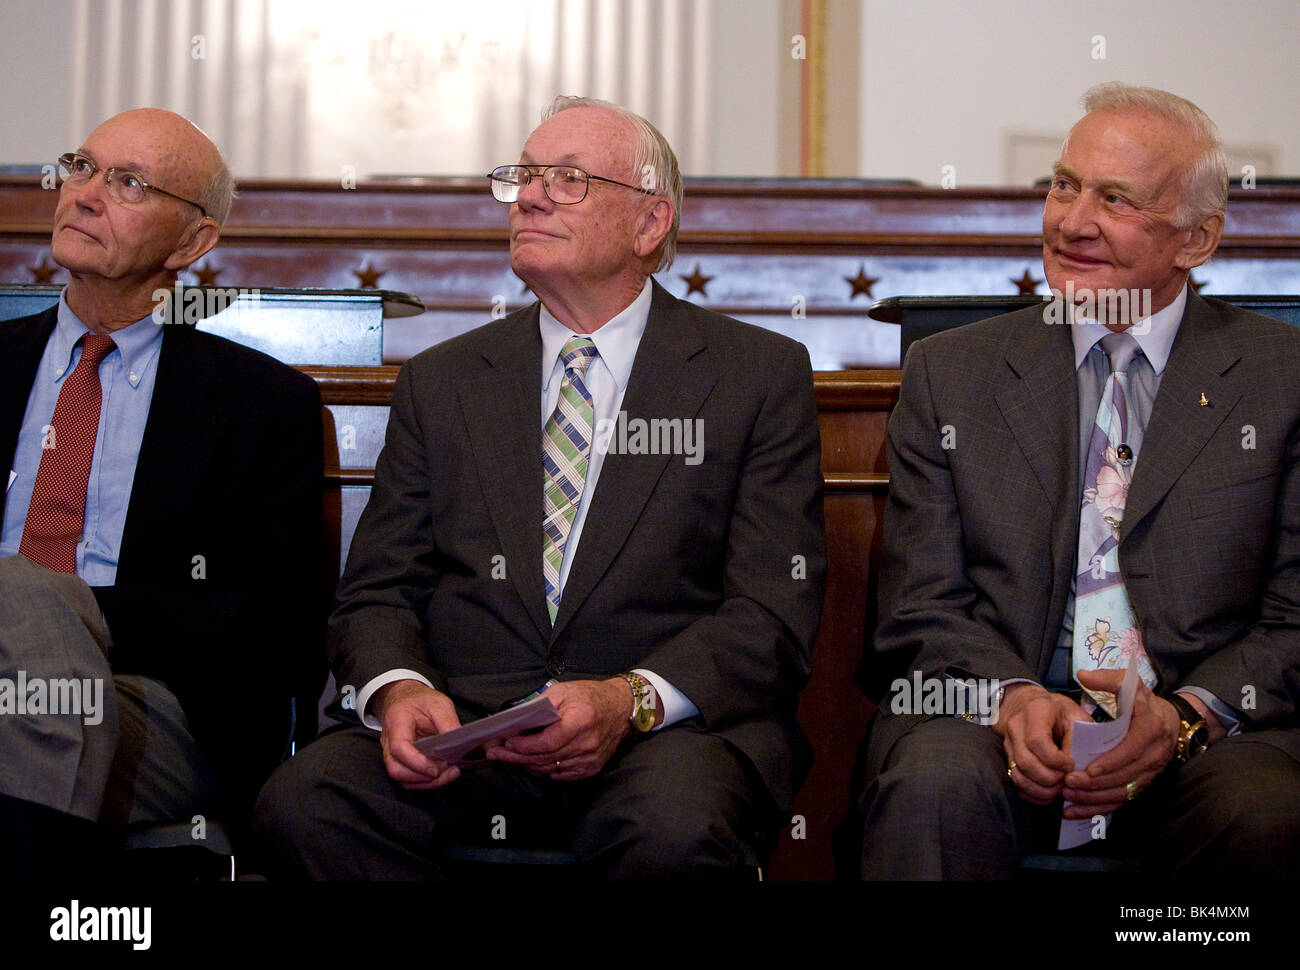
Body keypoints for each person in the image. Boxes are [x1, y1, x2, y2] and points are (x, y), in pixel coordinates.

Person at [255, 96, 826, 878]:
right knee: (305, 801)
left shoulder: (755, 376)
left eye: (566, 179)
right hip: (467, 733)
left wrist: (628, 700)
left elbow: (772, 612)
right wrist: (398, 690)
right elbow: (378, 593)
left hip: (661, 740)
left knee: (677, 826)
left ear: (650, 224)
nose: (526, 196)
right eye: (523, 177)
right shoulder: (443, 381)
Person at [858, 82, 1300, 878]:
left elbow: (1296, 616)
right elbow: (918, 605)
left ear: (1196, 239)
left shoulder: (1282, 379)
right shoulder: (952, 373)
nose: (1071, 222)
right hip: (989, 717)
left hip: (1206, 736)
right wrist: (1016, 698)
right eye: (1064, 185)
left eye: (1115, 199)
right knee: (933, 787)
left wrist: (1185, 719)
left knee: (1266, 812)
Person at [0, 108, 324, 873]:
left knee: (21, 602)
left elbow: (276, 627)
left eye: (129, 183)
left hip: (150, 705)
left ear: (192, 241)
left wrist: (62, 608)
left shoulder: (259, 402)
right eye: (82, 167)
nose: (83, 194)